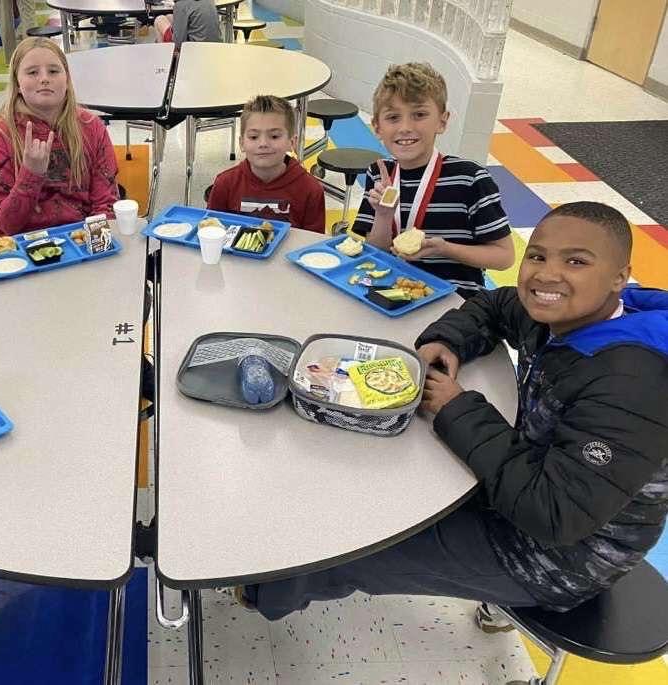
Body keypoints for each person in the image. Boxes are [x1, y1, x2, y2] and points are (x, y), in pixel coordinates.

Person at [240, 202, 668, 624]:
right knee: (362, 480)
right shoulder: (569, 311)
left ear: (620, 277)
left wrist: (456, 407)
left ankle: (258, 586)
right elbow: (496, 305)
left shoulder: (631, 384)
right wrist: (448, 339)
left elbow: (554, 514)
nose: (546, 274)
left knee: (345, 548)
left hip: (557, 558)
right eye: (537, 255)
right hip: (519, 476)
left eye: (576, 261)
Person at [352, 62, 514, 297]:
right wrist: (384, 215)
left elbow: (504, 257)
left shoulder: (470, 179)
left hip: (456, 305)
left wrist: (445, 249)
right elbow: (375, 252)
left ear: (442, 120)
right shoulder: (379, 174)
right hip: (391, 296)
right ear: (377, 127)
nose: (406, 127)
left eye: (419, 115)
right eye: (393, 117)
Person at [0, 37, 119, 236]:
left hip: (83, 238)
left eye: (54, 71)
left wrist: (95, 250)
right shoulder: (0, 134)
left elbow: (105, 205)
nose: (44, 78)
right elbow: (7, 225)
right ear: (17, 83)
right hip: (25, 247)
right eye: (32, 72)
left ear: (67, 79)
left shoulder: (91, 127)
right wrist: (30, 173)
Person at [207, 94, 326, 233]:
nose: (263, 144)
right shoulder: (225, 184)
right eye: (253, 137)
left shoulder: (311, 190)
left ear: (291, 143)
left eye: (274, 136)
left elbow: (313, 244)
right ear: (242, 143)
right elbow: (210, 232)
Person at [153, 0, 221, 43]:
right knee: (169, 16)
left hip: (195, 49)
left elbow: (178, 41)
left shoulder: (181, 5)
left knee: (159, 19)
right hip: (215, 44)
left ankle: (166, 57)